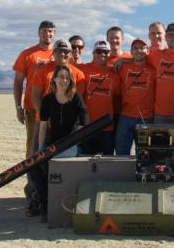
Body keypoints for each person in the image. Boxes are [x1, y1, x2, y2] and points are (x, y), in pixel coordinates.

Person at [28, 65, 89, 221]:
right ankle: (46, 204)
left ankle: (52, 209)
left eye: (67, 78)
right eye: (61, 77)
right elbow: (42, 126)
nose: (64, 80)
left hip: (71, 146)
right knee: (33, 167)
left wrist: (74, 140)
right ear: (54, 79)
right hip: (51, 145)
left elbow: (84, 123)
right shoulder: (48, 100)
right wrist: (41, 148)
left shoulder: (76, 98)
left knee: (51, 167)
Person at [13, 20, 55, 158]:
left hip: (55, 107)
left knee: (52, 145)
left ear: (54, 34)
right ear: (38, 33)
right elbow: (18, 82)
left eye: (50, 31)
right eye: (44, 31)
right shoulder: (27, 54)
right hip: (32, 107)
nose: (47, 34)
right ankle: (31, 178)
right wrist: (19, 106)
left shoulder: (60, 54)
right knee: (33, 145)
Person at [79, 40, 121, 155]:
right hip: (87, 125)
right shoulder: (83, 69)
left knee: (106, 162)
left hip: (106, 126)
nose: (102, 54)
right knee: (86, 160)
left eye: (105, 52)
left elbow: (117, 98)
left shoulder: (114, 73)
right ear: (93, 53)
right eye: (99, 51)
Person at [115, 39, 156, 155]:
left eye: (142, 48)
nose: (139, 50)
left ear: (147, 50)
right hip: (126, 117)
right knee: (121, 154)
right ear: (131, 51)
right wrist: (122, 59)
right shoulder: (122, 67)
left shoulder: (153, 69)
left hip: (146, 118)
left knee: (145, 156)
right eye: (135, 48)